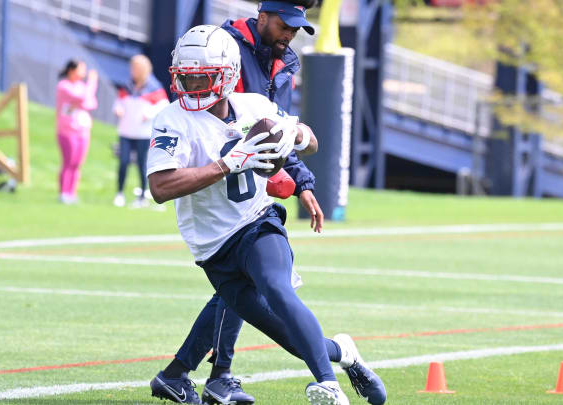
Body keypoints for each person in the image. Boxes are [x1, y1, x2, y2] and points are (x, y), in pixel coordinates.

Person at [147, 25, 386, 405]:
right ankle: (345, 352)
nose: (191, 87)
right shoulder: (170, 119)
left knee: (277, 287)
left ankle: (329, 386)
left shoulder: (255, 106)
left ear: (226, 77)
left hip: (257, 223)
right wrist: (226, 164)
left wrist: (295, 135)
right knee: (293, 339)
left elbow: (310, 140)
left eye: (201, 78)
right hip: (213, 249)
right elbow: (160, 188)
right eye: (185, 78)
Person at [113, 55, 169, 207]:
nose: (133, 71)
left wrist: (149, 114)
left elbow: (163, 105)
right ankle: (119, 193)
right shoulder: (127, 86)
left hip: (143, 133)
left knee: (142, 164)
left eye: (136, 68)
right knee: (123, 162)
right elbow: (119, 102)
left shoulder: (153, 86)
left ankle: (143, 196)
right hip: (126, 130)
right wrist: (117, 108)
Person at [55, 59, 98, 204]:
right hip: (67, 130)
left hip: (82, 129)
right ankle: (63, 192)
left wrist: (85, 97)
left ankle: (72, 192)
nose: (84, 73)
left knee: (77, 163)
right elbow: (81, 98)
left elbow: (91, 103)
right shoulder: (63, 86)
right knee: (69, 161)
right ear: (71, 70)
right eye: (81, 69)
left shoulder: (81, 86)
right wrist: (92, 83)